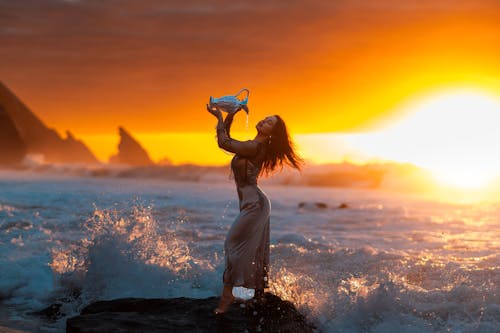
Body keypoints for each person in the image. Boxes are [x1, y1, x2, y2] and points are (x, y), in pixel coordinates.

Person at [206, 103, 303, 315]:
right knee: (253, 251)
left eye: (269, 123)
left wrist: (219, 118)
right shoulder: (254, 145)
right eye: (266, 118)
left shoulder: (256, 147)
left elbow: (224, 142)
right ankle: (253, 298)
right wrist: (230, 116)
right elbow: (227, 142)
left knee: (233, 244)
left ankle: (226, 299)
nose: (263, 121)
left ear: (271, 134)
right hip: (253, 204)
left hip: (255, 205)